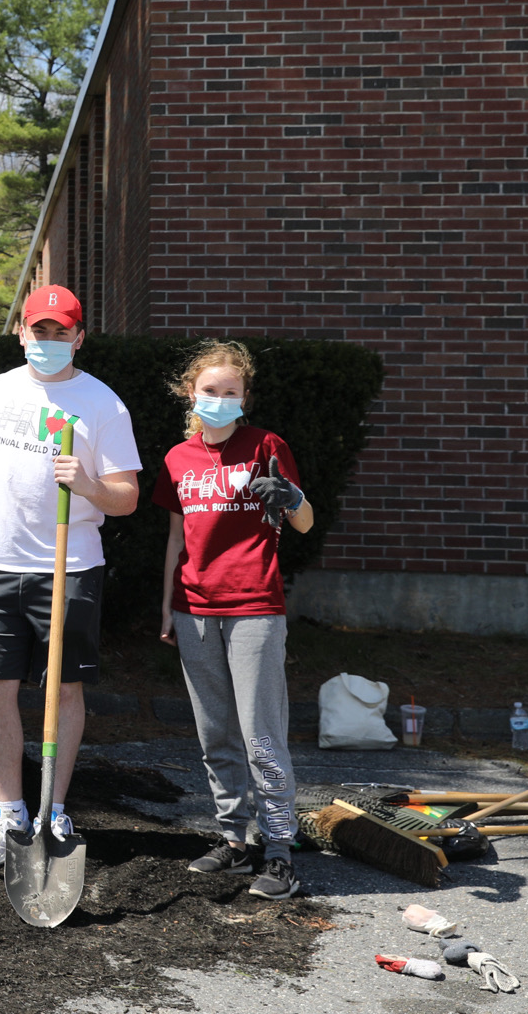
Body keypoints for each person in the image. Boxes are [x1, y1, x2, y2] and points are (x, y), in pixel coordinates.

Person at [0, 285, 142, 868]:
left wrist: (87, 486)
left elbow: (128, 498)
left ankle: (53, 809)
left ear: (79, 337)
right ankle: (9, 811)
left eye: (62, 331)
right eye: (40, 329)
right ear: (22, 333)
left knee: (62, 690)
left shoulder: (102, 404)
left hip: (69, 565)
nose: (49, 340)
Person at [156, 340, 312, 901]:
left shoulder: (265, 446)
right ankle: (233, 838)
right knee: (215, 733)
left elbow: (304, 523)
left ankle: (278, 851)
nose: (219, 400)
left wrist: (291, 496)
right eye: (209, 391)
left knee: (261, 735)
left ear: (244, 399)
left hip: (254, 609)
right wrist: (166, 606)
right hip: (193, 610)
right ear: (190, 393)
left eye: (230, 392)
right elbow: (176, 538)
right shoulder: (179, 458)